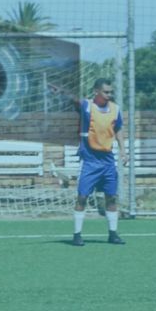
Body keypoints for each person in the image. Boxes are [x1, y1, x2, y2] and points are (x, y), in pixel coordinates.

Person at [52, 78, 129, 246]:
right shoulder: (87, 106)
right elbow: (74, 99)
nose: (109, 95)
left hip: (108, 161)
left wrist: (123, 150)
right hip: (90, 161)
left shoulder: (115, 109)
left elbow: (119, 129)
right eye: (106, 92)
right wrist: (62, 91)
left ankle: (113, 234)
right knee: (82, 197)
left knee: (111, 197)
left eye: (111, 92)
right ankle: (77, 235)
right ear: (96, 91)